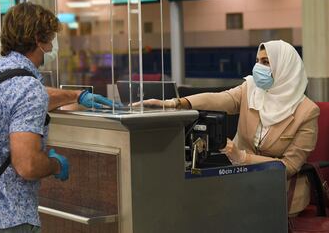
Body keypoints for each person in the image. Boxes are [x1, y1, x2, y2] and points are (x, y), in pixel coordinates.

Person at [0, 2, 117, 232]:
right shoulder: (27, 88)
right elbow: (27, 164)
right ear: (37, 40)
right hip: (8, 220)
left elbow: (21, 100)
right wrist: (54, 165)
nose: (52, 46)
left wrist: (75, 95)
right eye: (50, 39)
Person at [136, 40, 320, 216]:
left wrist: (242, 157)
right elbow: (220, 99)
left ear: (284, 67)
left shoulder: (307, 112)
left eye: (265, 62)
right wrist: (175, 103)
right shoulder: (251, 89)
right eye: (257, 61)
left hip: (280, 193)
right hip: (240, 184)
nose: (258, 68)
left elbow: (289, 166)